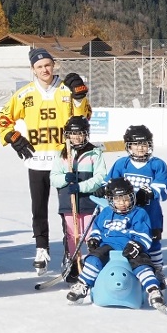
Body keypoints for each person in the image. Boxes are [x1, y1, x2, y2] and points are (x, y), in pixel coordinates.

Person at [0, 47, 91, 275]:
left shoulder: (66, 90)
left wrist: (79, 97)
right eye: (39, 67)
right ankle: (41, 248)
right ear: (33, 69)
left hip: (64, 160)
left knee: (68, 210)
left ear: (54, 64)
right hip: (36, 160)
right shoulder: (24, 94)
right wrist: (12, 136)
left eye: (47, 65)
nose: (44, 69)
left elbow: (84, 117)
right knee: (38, 208)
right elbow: (4, 118)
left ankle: (71, 251)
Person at [67, 178, 165, 310]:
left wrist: (137, 245)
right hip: (109, 245)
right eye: (118, 199)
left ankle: (153, 290)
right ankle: (83, 285)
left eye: (126, 198)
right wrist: (94, 239)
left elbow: (145, 235)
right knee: (94, 258)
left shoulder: (139, 213)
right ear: (110, 199)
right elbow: (97, 229)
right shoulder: (106, 212)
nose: (123, 203)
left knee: (141, 263)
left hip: (130, 246)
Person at [108, 125, 167, 288]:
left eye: (144, 144)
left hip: (151, 213)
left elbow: (164, 186)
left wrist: (149, 192)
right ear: (128, 146)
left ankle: (157, 270)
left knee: (154, 242)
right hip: (128, 214)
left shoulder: (157, 164)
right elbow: (110, 182)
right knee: (130, 240)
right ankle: (130, 269)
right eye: (136, 144)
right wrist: (104, 188)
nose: (140, 148)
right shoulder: (121, 163)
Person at [49, 116, 108, 282]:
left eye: (79, 133)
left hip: (89, 202)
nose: (75, 137)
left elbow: (100, 177)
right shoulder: (62, 154)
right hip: (69, 202)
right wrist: (65, 179)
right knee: (72, 235)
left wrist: (82, 187)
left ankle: (91, 265)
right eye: (72, 134)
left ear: (86, 134)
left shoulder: (94, 153)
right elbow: (53, 178)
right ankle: (74, 263)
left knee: (90, 234)